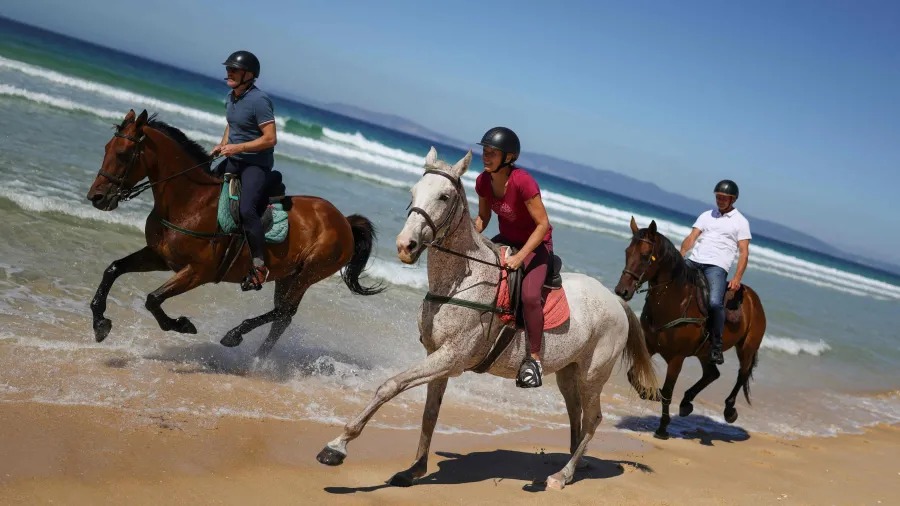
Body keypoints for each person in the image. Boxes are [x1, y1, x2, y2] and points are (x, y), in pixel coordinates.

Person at [473, 127, 553, 388]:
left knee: (530, 296)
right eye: (485, 151)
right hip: (506, 240)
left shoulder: (523, 181)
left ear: (508, 157)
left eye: (492, 153)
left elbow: (542, 225)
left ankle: (534, 360)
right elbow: (483, 217)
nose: (486, 156)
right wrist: (467, 234)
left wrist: (520, 258)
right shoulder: (483, 181)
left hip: (536, 245)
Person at [211, 50, 277, 290]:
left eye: (234, 70)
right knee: (203, 185)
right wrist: (222, 145)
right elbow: (231, 125)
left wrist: (238, 147)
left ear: (249, 75)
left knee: (246, 209)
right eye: (228, 69)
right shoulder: (231, 97)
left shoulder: (259, 101)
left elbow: (270, 139)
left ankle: (259, 265)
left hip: (255, 163)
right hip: (234, 158)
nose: (229, 72)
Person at [679, 179, 751, 365]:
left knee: (714, 303)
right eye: (718, 197)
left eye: (724, 198)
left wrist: (737, 277)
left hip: (716, 267)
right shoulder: (706, 215)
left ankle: (716, 346)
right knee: (668, 281)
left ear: (732, 199)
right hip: (694, 261)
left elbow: (744, 252)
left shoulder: (741, 222)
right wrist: (682, 253)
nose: (720, 200)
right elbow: (692, 237)